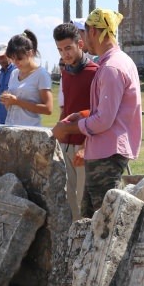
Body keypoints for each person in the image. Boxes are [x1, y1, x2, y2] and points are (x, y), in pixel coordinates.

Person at [51, 8, 141, 218]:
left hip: (107, 154)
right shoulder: (115, 62)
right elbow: (108, 110)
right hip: (103, 151)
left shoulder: (111, 67)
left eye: (83, 33)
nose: (82, 39)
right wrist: (83, 115)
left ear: (93, 32)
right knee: (92, 220)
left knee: (106, 224)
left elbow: (104, 120)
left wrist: (68, 128)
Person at [53, 22, 98, 218]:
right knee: (68, 200)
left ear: (80, 44)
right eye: (60, 50)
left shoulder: (96, 72)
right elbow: (67, 110)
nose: (65, 54)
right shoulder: (66, 72)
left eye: (68, 48)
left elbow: (100, 113)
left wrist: (86, 145)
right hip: (65, 145)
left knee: (83, 203)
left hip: (86, 144)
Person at [0, 30, 53, 127]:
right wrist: (7, 100)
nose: (16, 62)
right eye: (12, 58)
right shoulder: (14, 73)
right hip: (10, 126)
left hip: (30, 129)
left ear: (30, 53)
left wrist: (17, 102)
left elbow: (48, 109)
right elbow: (11, 106)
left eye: (19, 58)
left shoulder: (41, 74)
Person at [0, 43, 12, 124]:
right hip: (0, 121)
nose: (0, 60)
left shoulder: (17, 72)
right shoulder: (0, 74)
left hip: (13, 122)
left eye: (2, 57)